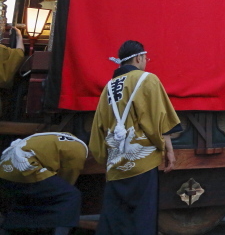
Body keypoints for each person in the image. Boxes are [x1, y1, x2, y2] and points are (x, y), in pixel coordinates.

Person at [90, 40, 181, 235]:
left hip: (115, 164)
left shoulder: (109, 87)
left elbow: (99, 126)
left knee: (115, 220)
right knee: (142, 219)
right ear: (139, 57)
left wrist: (104, 158)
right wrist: (168, 150)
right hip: (142, 162)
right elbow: (157, 121)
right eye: (145, 58)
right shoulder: (147, 80)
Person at [0, 131, 87, 234]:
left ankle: (9, 229)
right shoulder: (80, 149)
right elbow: (70, 173)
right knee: (70, 195)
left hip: (5, 170)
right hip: (26, 167)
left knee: (25, 199)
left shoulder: (61, 137)